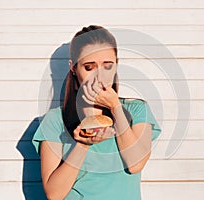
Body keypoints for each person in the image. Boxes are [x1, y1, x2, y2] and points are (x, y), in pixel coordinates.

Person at [32, 25, 161, 200]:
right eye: (89, 67)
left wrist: (116, 108)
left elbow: (135, 164)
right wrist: (83, 144)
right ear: (73, 68)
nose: (99, 76)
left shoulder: (137, 110)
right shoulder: (56, 120)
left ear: (116, 65)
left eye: (107, 66)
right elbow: (54, 194)